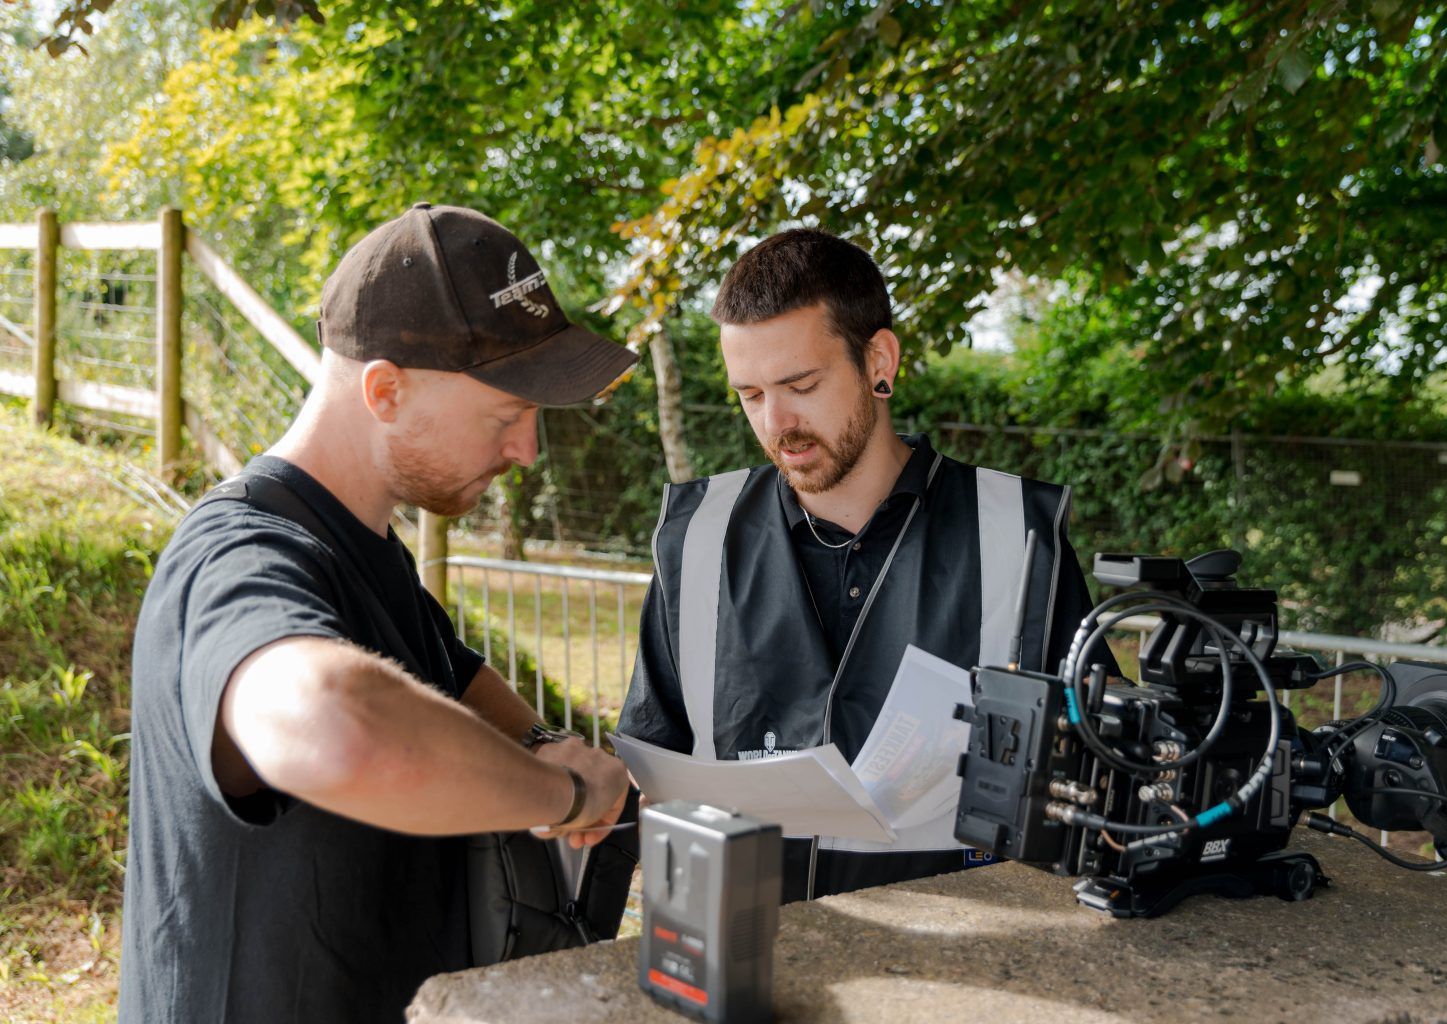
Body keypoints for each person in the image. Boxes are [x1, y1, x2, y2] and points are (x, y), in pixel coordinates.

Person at [120, 203, 639, 1023]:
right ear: (385, 390)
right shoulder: (237, 554)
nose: (526, 451)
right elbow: (333, 724)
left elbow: (451, 676)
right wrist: (560, 794)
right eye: (507, 416)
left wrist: (548, 744)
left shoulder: (369, 551)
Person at [618, 228, 1117, 902]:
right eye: (750, 395)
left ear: (879, 359)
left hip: (964, 969)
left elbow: (1099, 776)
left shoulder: (1020, 535)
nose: (777, 424)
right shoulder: (696, 537)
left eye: (801, 384)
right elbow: (654, 758)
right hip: (750, 962)